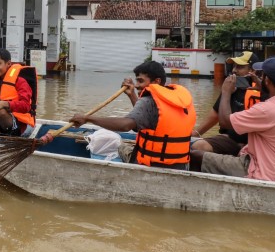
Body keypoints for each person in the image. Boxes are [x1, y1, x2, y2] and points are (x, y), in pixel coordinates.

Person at [193, 56, 275, 182]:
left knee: (194, 155)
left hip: (257, 170)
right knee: (203, 146)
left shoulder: (267, 109)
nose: (235, 71)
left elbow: (224, 121)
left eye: (262, 75)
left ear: (267, 80)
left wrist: (225, 91)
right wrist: (264, 89)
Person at [64, 61, 196, 170]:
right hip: (181, 166)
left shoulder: (148, 101)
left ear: (156, 81)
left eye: (141, 81)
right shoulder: (180, 100)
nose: (137, 85)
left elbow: (125, 125)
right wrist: (132, 94)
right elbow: (147, 116)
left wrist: (87, 118)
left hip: (151, 167)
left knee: (119, 146)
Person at [191, 53, 262, 167]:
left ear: (252, 71)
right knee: (196, 146)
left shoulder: (263, 92)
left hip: (255, 143)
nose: (234, 70)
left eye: (240, 67)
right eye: (234, 66)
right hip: (231, 139)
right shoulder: (231, 88)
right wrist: (196, 133)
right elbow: (216, 113)